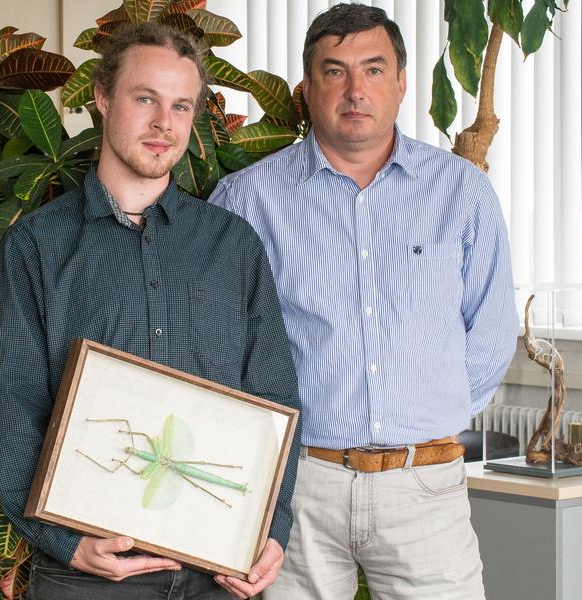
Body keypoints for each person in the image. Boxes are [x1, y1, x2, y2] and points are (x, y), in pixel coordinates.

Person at [209, 4, 518, 599]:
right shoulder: (247, 200)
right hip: (298, 487)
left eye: (374, 70)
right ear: (306, 89)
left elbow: (491, 335)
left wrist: (428, 421)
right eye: (334, 71)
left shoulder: (463, 192)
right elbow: (222, 346)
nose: (355, 90)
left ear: (401, 82)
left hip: (424, 488)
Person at [0, 22, 300, 600]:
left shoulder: (231, 245)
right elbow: (19, 410)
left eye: (181, 105)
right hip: (89, 572)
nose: (163, 123)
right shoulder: (36, 247)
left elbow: (275, 392)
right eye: (145, 98)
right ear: (103, 99)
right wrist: (63, 541)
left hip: (216, 571)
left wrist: (271, 530)